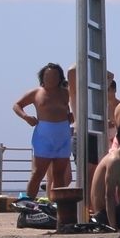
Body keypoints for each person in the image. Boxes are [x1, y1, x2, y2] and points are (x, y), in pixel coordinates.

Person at [13, 63, 72, 199]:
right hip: (44, 135)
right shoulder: (36, 93)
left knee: (59, 174)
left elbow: (79, 103)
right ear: (42, 77)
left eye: (54, 75)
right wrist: (26, 117)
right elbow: (17, 105)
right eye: (47, 75)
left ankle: (58, 205)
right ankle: (28, 202)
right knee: (38, 172)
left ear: (59, 77)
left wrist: (73, 115)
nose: (50, 78)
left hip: (63, 134)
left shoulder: (66, 93)